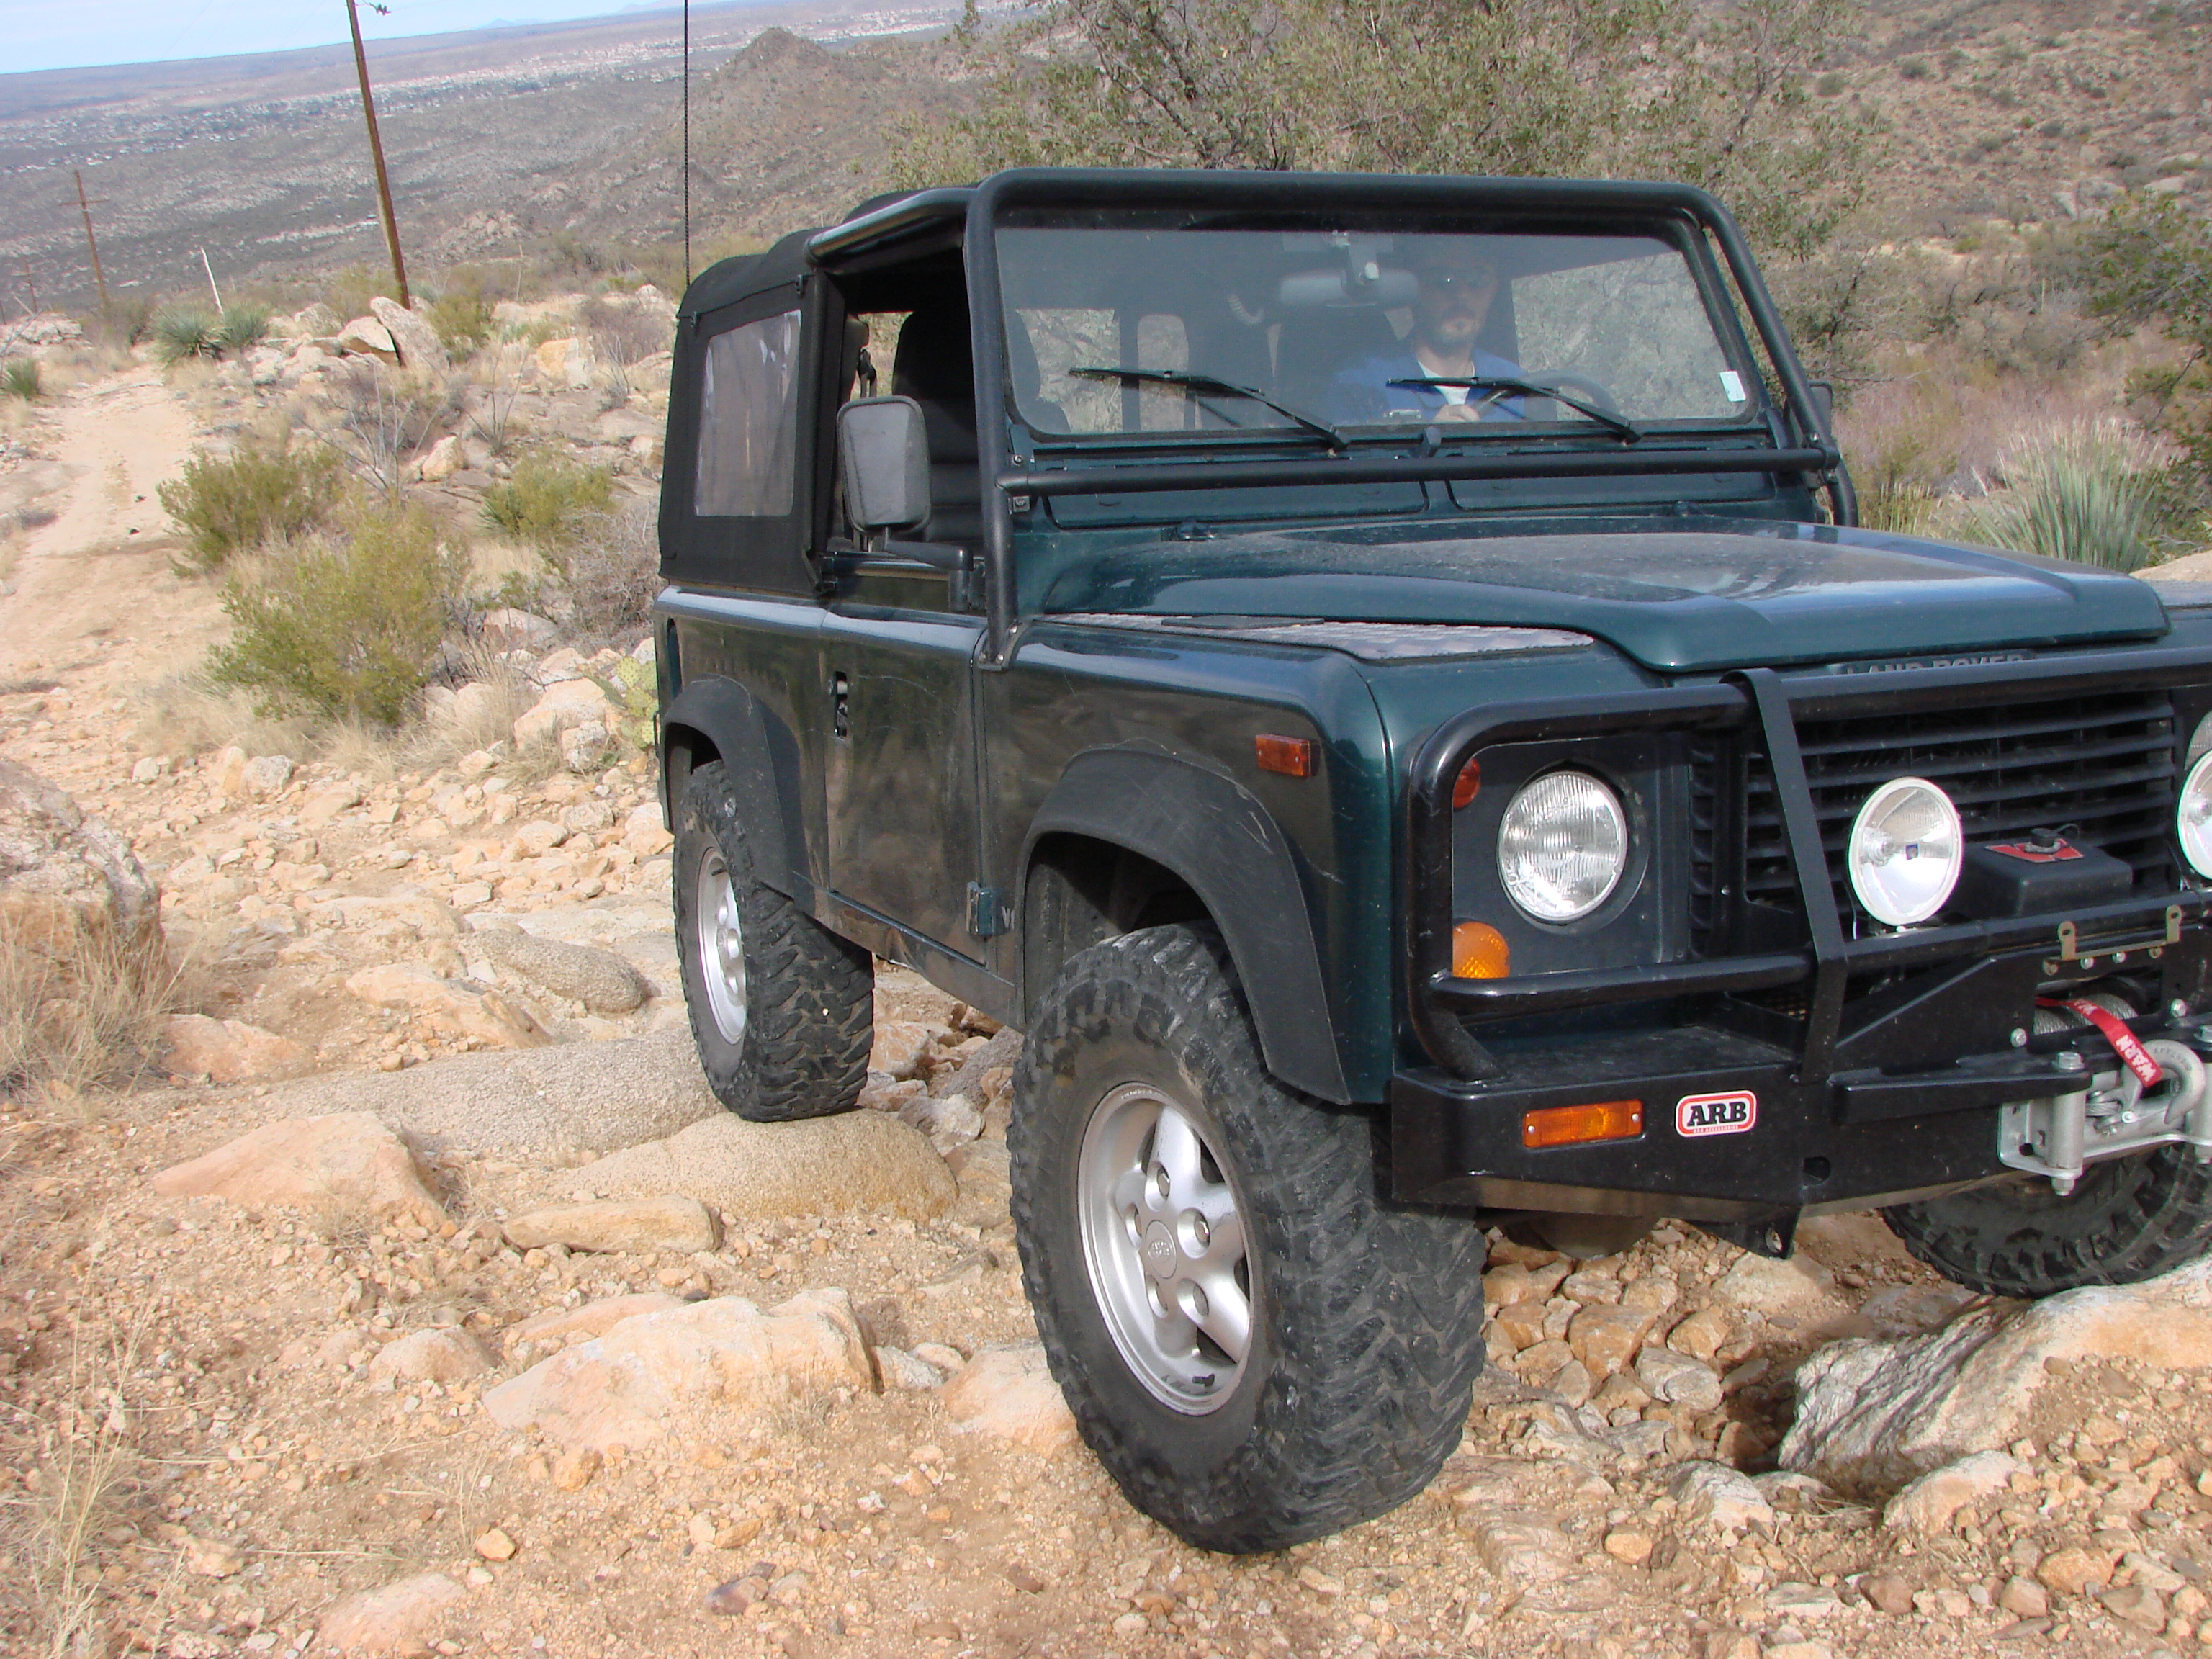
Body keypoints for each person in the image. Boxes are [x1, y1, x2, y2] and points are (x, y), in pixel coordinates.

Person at [1325, 243, 1523, 425]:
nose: (1461, 294)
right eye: (1442, 280)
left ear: (1494, 289)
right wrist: (1423, 441)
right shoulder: (1361, 383)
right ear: (1414, 289)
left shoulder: (1516, 385)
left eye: (1478, 279)